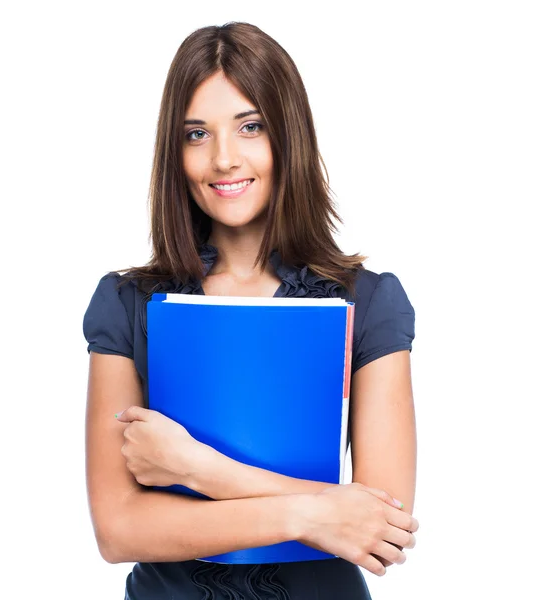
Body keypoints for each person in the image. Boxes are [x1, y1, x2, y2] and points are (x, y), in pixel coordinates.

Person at [83, 21, 419, 600]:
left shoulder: (366, 302)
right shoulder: (126, 303)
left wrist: (196, 469)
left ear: (288, 135)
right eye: (196, 134)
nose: (223, 159)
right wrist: (312, 515)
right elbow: (118, 531)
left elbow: (381, 526)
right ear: (175, 150)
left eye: (250, 126)